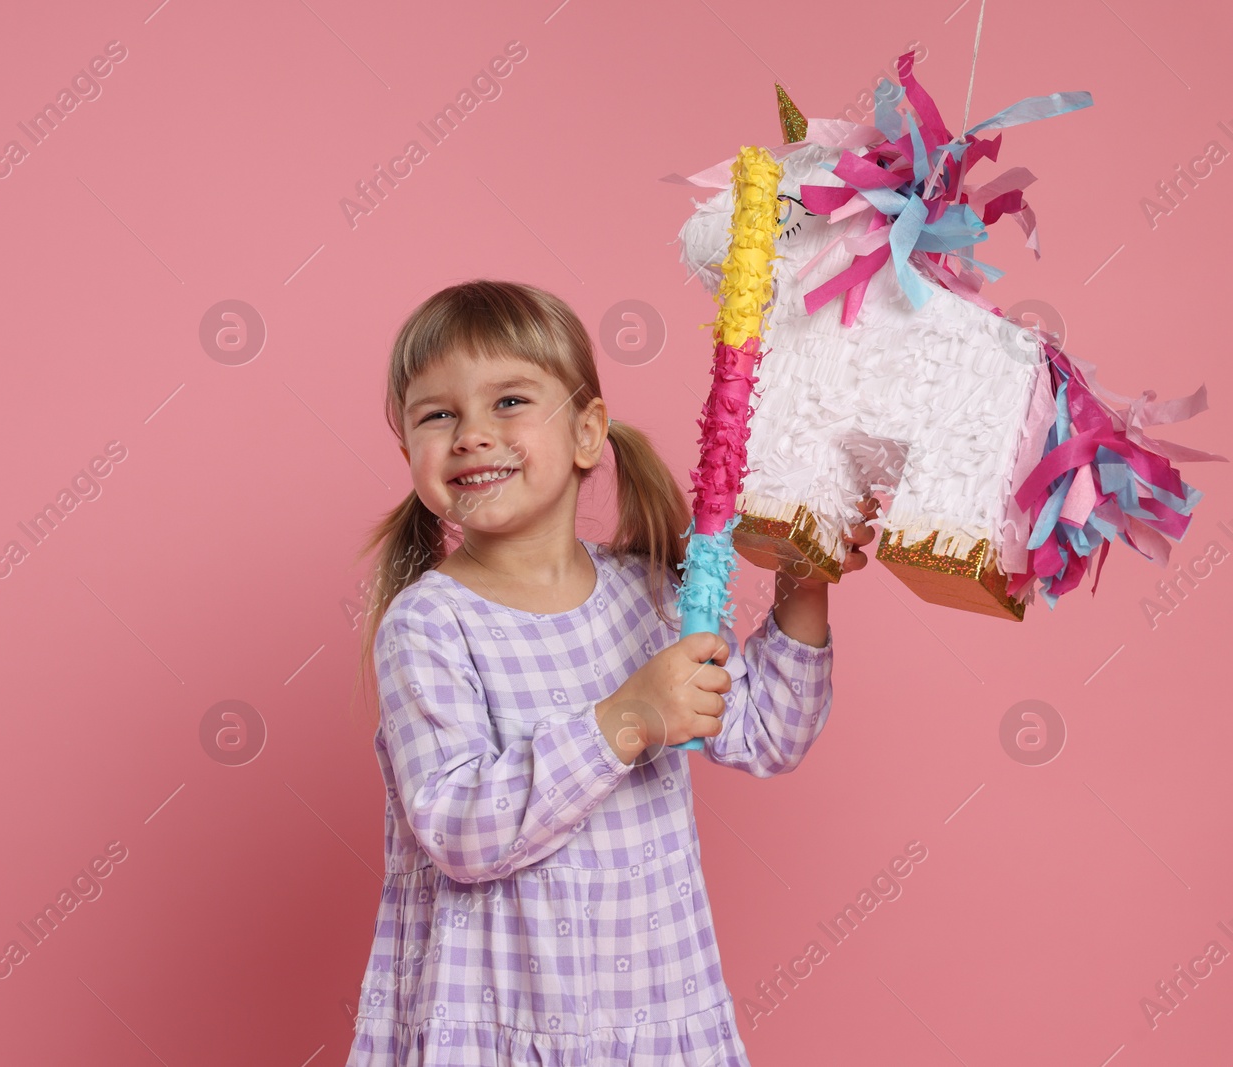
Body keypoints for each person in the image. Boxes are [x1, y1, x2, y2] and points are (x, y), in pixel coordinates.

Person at [345, 279, 878, 1066]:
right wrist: (626, 719)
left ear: (588, 431)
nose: (470, 434)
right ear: (409, 457)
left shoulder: (651, 596)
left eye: (511, 401)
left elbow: (768, 731)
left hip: (655, 1017)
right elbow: (458, 828)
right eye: (438, 414)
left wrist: (808, 574)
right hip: (497, 1020)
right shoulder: (430, 624)